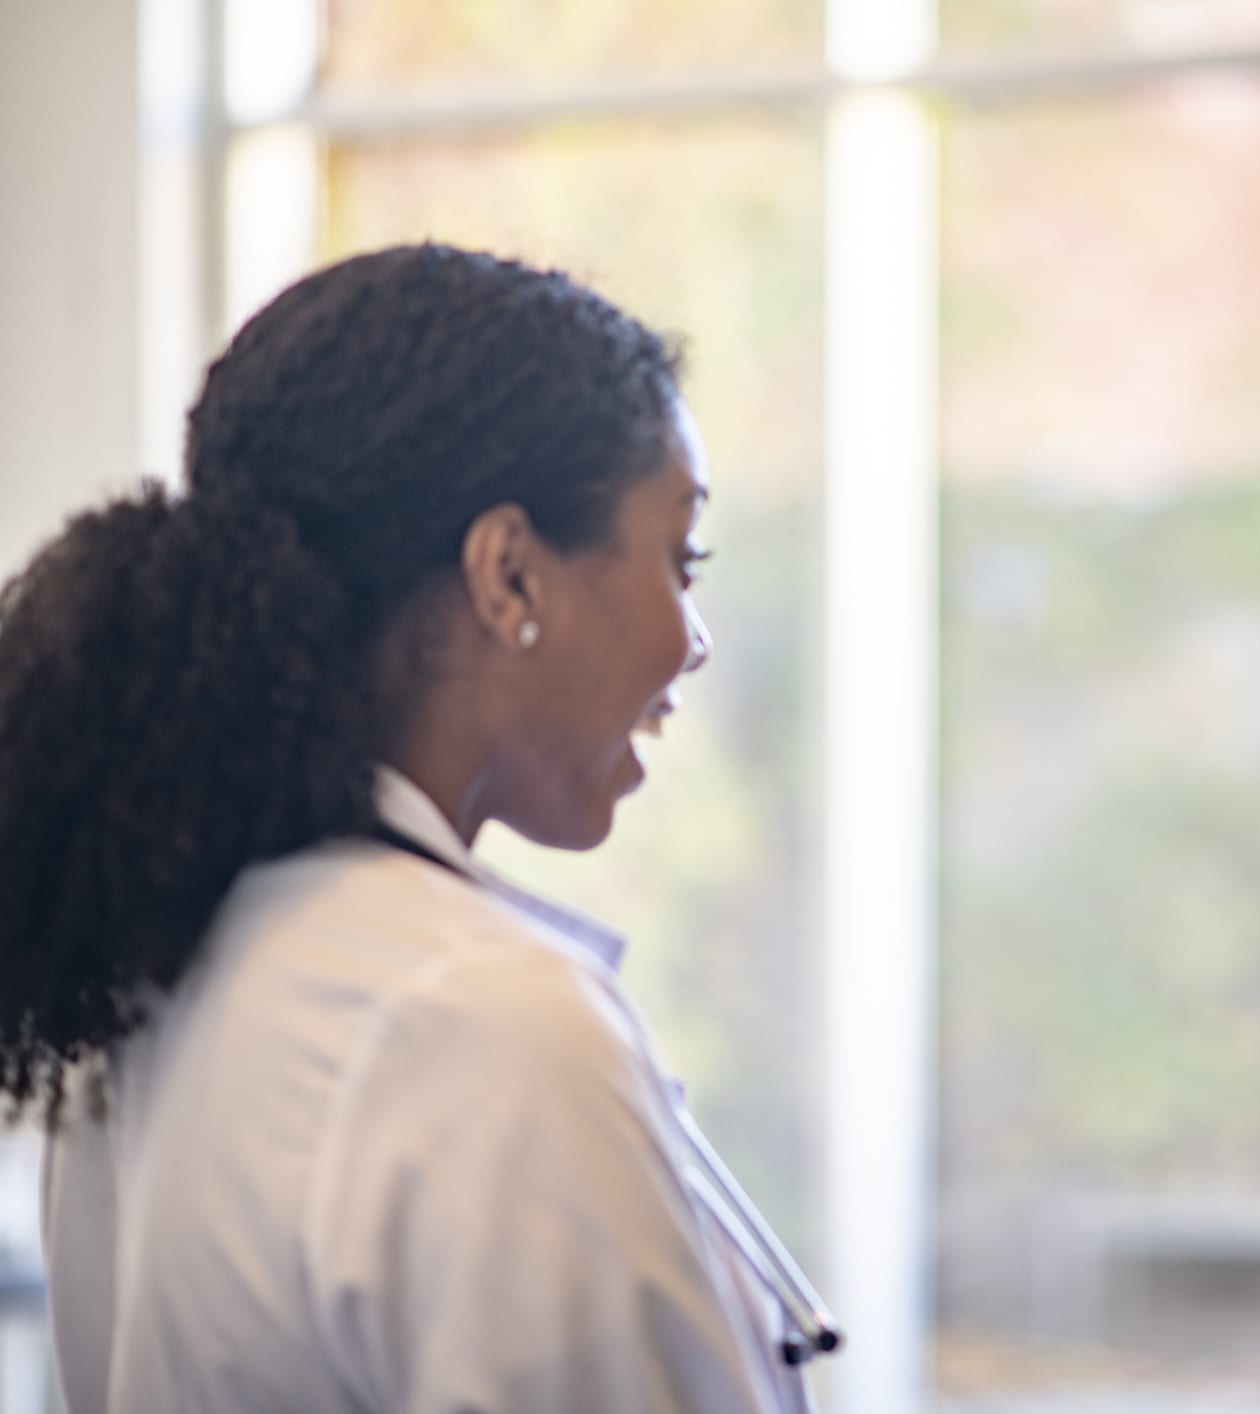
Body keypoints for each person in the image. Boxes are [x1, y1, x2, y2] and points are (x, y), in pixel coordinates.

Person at [0, 243, 832, 1412]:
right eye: (676, 558)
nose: (693, 636)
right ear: (509, 577)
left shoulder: (161, 979)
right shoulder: (472, 1016)